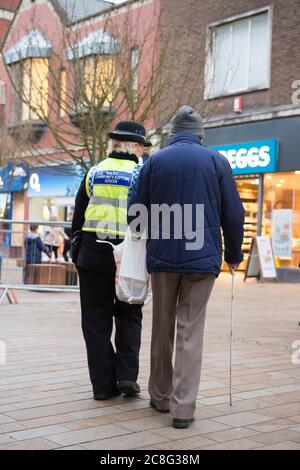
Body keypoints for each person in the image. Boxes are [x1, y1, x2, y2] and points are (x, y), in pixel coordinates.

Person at [128, 105, 244, 428]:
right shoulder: (217, 162)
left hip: (162, 258)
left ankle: (160, 396)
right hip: (202, 259)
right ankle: (183, 409)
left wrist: (145, 234)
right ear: (199, 135)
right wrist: (234, 254)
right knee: (190, 330)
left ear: (173, 134)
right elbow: (234, 213)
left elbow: (135, 213)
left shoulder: (155, 162)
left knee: (161, 325)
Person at [71, 121, 152, 400]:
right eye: (141, 146)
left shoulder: (93, 172)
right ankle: (127, 376)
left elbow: (78, 216)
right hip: (129, 253)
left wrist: (77, 250)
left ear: (114, 144)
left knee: (95, 321)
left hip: (93, 252)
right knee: (130, 313)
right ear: (135, 146)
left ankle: (103, 386)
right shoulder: (142, 173)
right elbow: (145, 218)